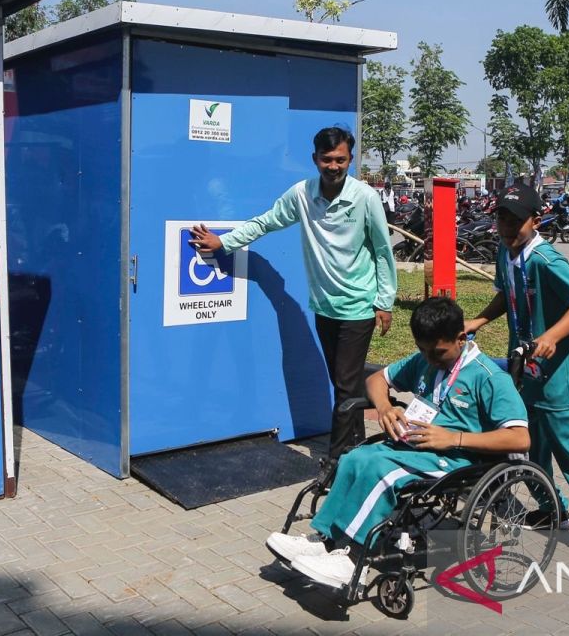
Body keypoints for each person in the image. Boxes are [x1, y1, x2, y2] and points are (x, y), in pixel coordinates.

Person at [265, 296, 529, 588]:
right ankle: (325, 540)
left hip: (457, 458)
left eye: (438, 353)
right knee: (355, 458)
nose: (429, 359)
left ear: (460, 338)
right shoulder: (424, 360)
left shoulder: (489, 378)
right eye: (423, 350)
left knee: (383, 472)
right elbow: (377, 379)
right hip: (414, 447)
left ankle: (353, 560)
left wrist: (454, 437)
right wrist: (385, 407)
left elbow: (520, 438)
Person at [189, 126, 397, 460]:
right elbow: (267, 221)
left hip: (358, 307)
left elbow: (382, 251)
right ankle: (358, 449)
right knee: (345, 382)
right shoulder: (302, 194)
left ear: (351, 159)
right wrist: (223, 242)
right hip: (324, 306)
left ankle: (338, 462)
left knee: (344, 386)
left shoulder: (365, 198)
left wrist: (384, 301)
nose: (333, 166)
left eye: (340, 160)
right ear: (315, 159)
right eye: (327, 159)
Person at [463, 181, 569, 567]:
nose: (506, 226)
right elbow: (507, 295)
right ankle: (555, 509)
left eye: (515, 221)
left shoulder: (546, 260)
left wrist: (552, 336)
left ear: (535, 221)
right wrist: (479, 320)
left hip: (558, 381)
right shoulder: (506, 254)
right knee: (530, 449)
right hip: (525, 374)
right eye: (501, 217)